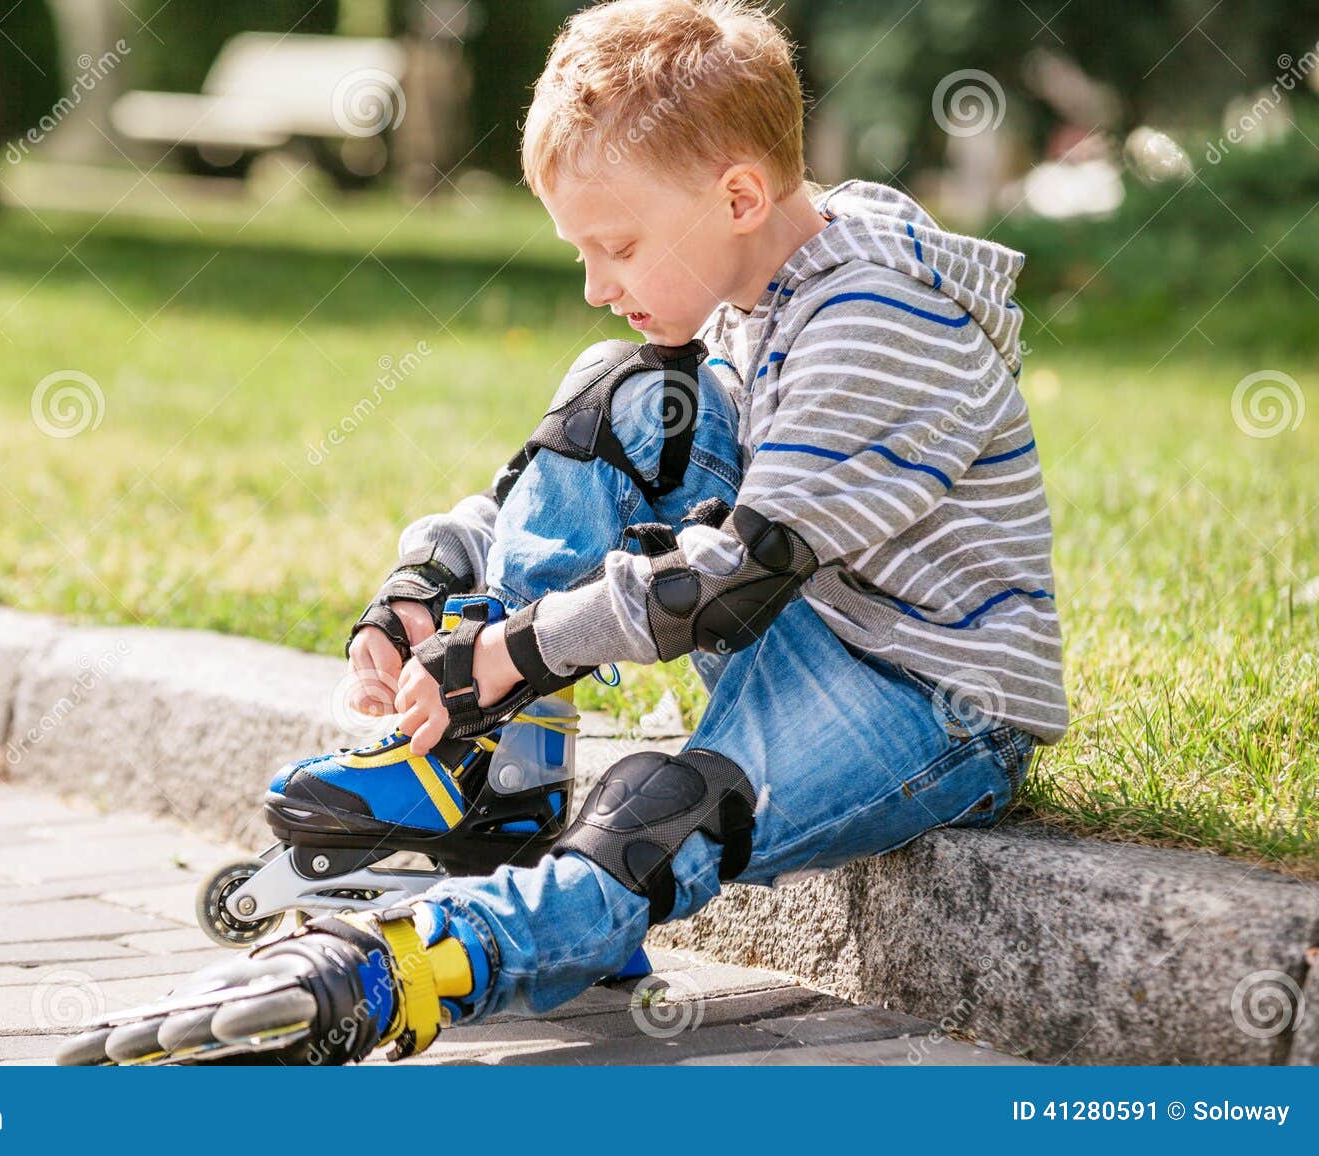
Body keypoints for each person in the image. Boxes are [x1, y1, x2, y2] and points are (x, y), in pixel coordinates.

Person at [64, 0, 1068, 1067]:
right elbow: (587, 483)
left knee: (661, 814)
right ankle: (493, 779)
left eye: (618, 247)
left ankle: (416, 966)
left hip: (927, 698)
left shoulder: (879, 320)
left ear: (738, 194)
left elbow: (730, 580)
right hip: (800, 621)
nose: (597, 284)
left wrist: (511, 649)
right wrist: (435, 573)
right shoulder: (752, 285)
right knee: (625, 392)